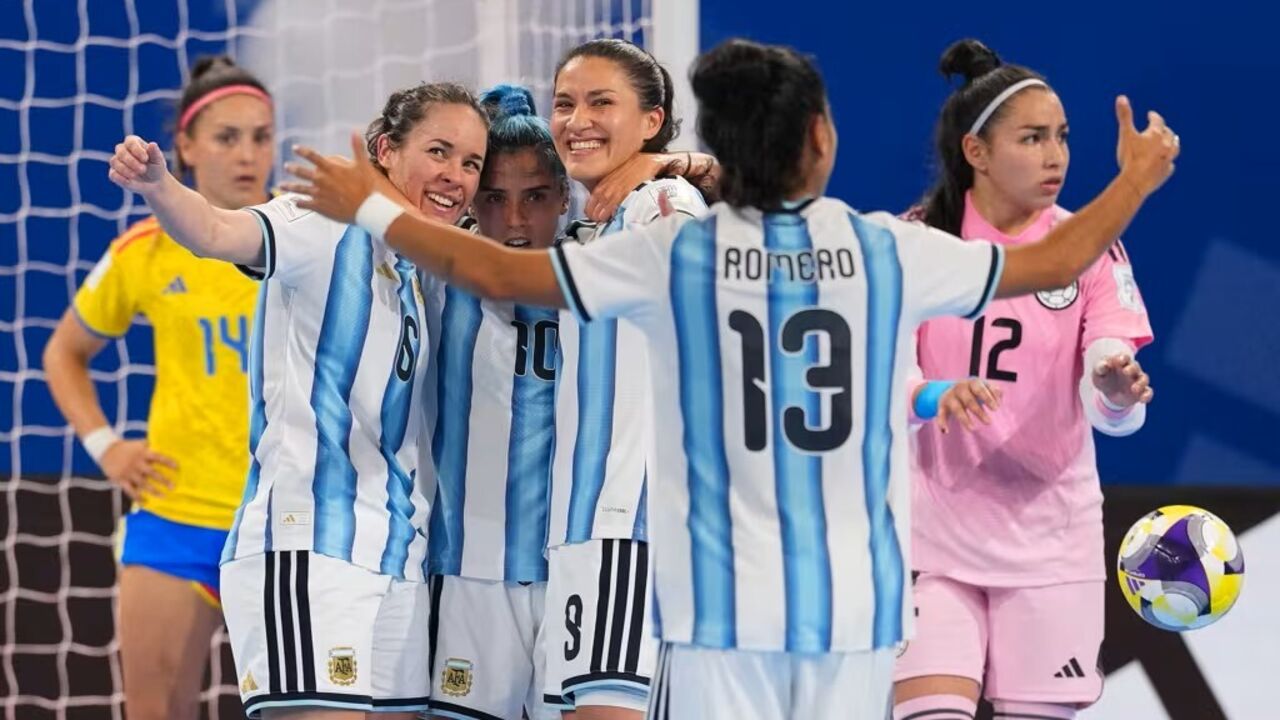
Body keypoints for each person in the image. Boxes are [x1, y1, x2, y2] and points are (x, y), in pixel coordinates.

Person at [281, 36, 1179, 720]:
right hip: (848, 595)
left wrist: (370, 201)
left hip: (719, 592)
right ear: (821, 141)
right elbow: (1055, 253)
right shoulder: (882, 248)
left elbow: (501, 274)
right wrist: (1133, 183)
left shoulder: (674, 245)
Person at [107, 81, 491, 719]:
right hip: (310, 548)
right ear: (385, 151)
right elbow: (215, 231)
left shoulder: (428, 264)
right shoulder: (318, 221)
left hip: (397, 557)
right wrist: (160, 187)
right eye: (439, 152)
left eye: (470, 163)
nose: (455, 176)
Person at [893, 40, 1155, 720]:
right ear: (976, 153)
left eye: (1062, 137)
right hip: (929, 539)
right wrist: (934, 394)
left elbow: (1111, 390)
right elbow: (883, 377)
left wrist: (1116, 390)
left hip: (1050, 545)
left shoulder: (1091, 248)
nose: (1056, 156)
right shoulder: (915, 243)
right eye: (1033, 138)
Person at [43, 56, 272, 720]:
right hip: (174, 520)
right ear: (186, 147)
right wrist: (106, 447)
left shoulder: (307, 241)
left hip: (280, 524)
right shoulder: (145, 249)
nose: (248, 154)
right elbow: (63, 353)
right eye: (228, 137)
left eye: (261, 135)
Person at [542, 39, 706, 718]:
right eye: (565, 103)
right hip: (591, 529)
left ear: (652, 120)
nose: (577, 119)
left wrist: (686, 172)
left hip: (629, 525)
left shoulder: (663, 201)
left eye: (601, 102)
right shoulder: (595, 227)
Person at [422, 84, 568, 720]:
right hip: (469, 571)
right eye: (494, 199)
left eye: (535, 198)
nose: (514, 222)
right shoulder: (432, 273)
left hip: (578, 573)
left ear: (564, 197)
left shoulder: (606, 267)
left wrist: (686, 166)